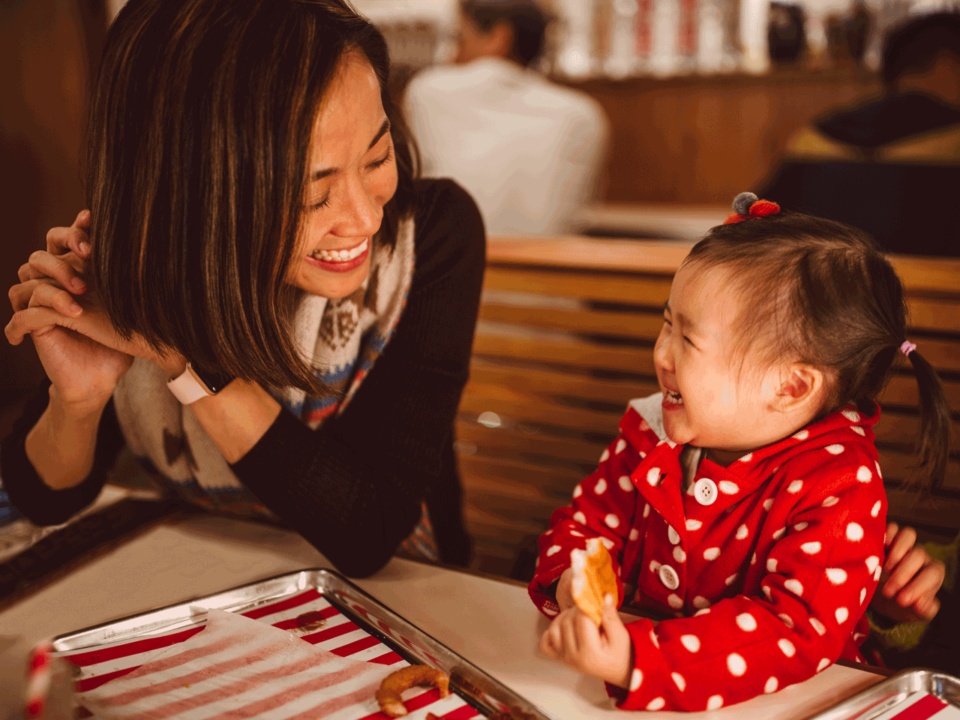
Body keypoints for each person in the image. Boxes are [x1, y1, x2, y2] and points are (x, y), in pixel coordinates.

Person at [1, 0, 485, 578]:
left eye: (376, 157)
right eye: (311, 195)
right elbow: (47, 499)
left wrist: (181, 355)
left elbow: (368, 528)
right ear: (192, 195)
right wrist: (78, 401)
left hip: (408, 594)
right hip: (205, 587)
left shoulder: (426, 239)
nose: (363, 219)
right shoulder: (143, 257)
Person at [527, 193, 952, 711]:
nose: (661, 353)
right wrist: (575, 583)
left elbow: (794, 629)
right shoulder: (649, 432)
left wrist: (641, 662)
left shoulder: (841, 486)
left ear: (791, 386)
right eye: (667, 323)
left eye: (688, 339)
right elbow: (585, 525)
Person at [760, 12, 960, 256]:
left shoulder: (816, 136)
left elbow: (756, 230)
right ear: (947, 64)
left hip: (819, 290)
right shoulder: (952, 140)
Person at [403, 0, 609, 236]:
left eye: (458, 38)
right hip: (548, 268)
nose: (452, 54)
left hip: (448, 268)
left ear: (498, 38)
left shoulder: (428, 91)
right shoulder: (585, 115)